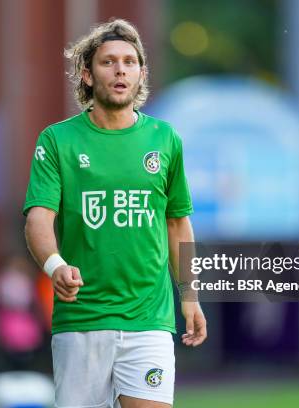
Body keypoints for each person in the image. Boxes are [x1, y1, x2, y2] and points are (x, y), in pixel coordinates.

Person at [23, 19, 207, 408]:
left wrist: (189, 295)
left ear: (141, 73)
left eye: (130, 61)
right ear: (87, 74)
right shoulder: (58, 140)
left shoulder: (165, 139)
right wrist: (55, 265)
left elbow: (177, 223)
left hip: (148, 321)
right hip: (82, 320)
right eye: (108, 62)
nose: (121, 69)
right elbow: (39, 217)